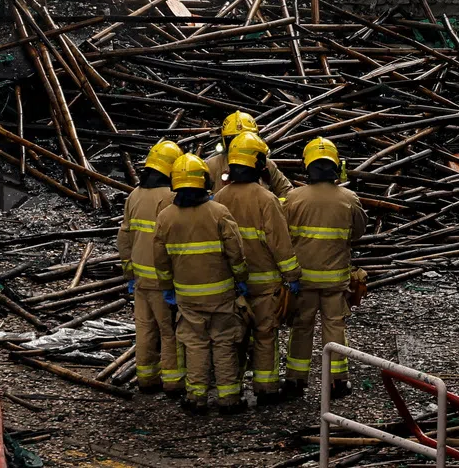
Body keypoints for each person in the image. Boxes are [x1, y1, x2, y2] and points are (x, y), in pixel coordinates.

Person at [153, 153, 249, 414]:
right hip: (221, 293)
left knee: (195, 344)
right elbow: (236, 253)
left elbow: (160, 261)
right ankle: (229, 398)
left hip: (187, 296)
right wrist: (241, 280)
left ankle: (196, 397)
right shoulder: (219, 212)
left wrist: (167, 289)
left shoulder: (165, 217)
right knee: (224, 342)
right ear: (204, 181)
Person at [215, 131, 301, 402]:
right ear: (259, 164)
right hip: (265, 286)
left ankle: (231, 392)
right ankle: (266, 390)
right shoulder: (267, 200)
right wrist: (292, 276)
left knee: (234, 340)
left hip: (231, 286)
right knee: (265, 337)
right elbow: (280, 244)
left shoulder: (218, 198)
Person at [282, 137, 365, 399]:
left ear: (307, 167)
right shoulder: (349, 198)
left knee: (301, 328)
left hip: (302, 280)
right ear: (335, 166)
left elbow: (281, 235)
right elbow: (359, 232)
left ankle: (295, 381)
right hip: (334, 280)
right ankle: (338, 381)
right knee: (335, 327)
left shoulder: (292, 198)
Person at [117, 139, 184, 395]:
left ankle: (146, 379)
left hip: (141, 279)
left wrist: (129, 272)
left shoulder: (134, 195)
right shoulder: (169, 198)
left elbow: (124, 237)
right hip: (161, 279)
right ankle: (173, 382)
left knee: (144, 330)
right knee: (168, 332)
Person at [204, 110, 292, 198]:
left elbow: (286, 192)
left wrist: (277, 205)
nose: (240, 143)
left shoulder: (266, 165)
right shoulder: (212, 166)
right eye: (233, 139)